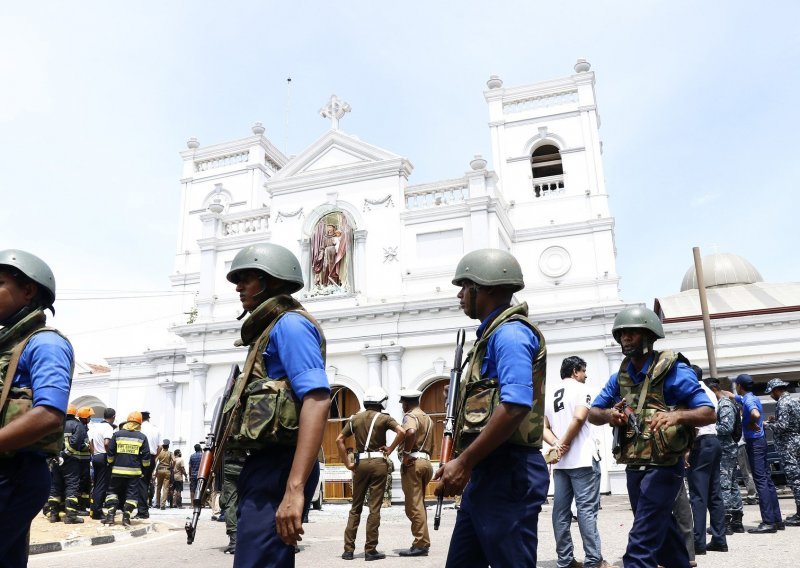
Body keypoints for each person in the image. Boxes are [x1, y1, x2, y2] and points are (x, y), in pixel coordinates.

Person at [434, 248, 549, 568]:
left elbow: (515, 406)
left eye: (465, 285)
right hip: (487, 471)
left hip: (509, 472)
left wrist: (463, 462)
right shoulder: (490, 336)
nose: (459, 294)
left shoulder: (511, 334)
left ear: (485, 288)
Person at [224, 242, 331, 567]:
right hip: (265, 464)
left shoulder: (290, 325)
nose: (239, 286)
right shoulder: (270, 329)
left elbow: (317, 399)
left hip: (280, 466)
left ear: (272, 281)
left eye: (248, 277)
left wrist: (295, 489)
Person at [588, 306, 715, 568]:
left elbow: (708, 413)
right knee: (661, 527)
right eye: (622, 333)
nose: (625, 337)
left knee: (642, 539)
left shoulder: (673, 371)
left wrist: (676, 416)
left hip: (665, 467)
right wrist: (611, 415)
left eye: (632, 333)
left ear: (649, 336)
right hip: (635, 466)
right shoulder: (620, 377)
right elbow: (593, 413)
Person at [0, 249, 73, 564]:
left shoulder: (46, 343)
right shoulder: (10, 346)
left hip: (16, 474)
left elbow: (49, 415)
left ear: (28, 290)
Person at [544, 356, 612, 568]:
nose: (586, 375)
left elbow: (543, 427)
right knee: (586, 511)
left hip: (561, 463)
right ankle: (594, 560)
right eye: (583, 371)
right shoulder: (583, 389)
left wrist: (557, 445)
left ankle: (565, 560)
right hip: (582, 458)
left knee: (560, 512)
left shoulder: (550, 394)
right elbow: (579, 418)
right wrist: (564, 443)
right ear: (575, 371)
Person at [337, 386, 405, 561]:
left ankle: (348, 550)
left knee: (355, 507)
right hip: (378, 463)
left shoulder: (355, 419)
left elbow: (339, 440)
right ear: (382, 402)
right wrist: (389, 449)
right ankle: (370, 550)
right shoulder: (384, 418)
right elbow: (402, 431)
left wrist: (348, 463)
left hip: (360, 464)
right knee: (374, 508)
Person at [732, 374, 783, 532]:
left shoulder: (749, 400)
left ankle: (768, 522)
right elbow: (736, 398)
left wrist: (751, 422)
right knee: (767, 480)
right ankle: (776, 520)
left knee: (760, 481)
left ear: (740, 386)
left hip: (755, 444)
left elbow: (755, 414)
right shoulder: (750, 397)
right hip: (760, 442)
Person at [686, 365, 727, 554]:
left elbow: (696, 423)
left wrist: (687, 449)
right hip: (714, 442)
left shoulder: (695, 391)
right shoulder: (709, 391)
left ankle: (699, 543)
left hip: (701, 443)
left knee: (698, 495)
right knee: (714, 494)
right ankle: (719, 539)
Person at [396, 388, 434, 558]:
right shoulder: (428, 418)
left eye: (403, 404)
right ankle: (423, 540)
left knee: (413, 506)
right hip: (426, 462)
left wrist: (405, 455)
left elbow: (410, 432)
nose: (402, 407)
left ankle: (421, 544)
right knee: (420, 504)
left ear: (406, 403)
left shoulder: (410, 416)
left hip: (413, 462)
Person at [706, 378, 745, 533]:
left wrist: (708, 423)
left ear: (714, 389)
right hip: (726, 449)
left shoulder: (725, 404)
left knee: (724, 485)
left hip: (726, 449)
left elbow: (726, 428)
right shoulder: (722, 404)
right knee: (731, 484)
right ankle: (736, 519)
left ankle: (726, 522)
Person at [104, 411, 151, 526]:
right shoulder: (142, 437)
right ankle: (126, 518)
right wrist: (144, 469)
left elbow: (110, 452)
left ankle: (110, 516)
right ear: (139, 423)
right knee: (131, 495)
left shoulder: (117, 434)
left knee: (112, 492)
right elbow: (146, 457)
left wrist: (110, 463)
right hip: (134, 472)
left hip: (117, 471)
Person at [764, 378, 800, 525]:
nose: (771, 395)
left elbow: (783, 426)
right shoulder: (793, 401)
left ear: (777, 390)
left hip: (788, 446)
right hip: (796, 441)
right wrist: (775, 420)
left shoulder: (783, 403)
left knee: (795, 480)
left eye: (771, 393)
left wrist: (768, 424)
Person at [45, 404, 77, 522]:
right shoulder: (76, 425)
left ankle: (53, 515)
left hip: (55, 460)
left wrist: (55, 456)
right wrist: (65, 455)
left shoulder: (56, 423)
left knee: (55, 486)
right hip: (70, 461)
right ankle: (70, 516)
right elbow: (77, 442)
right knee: (71, 485)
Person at [89, 407, 116, 519]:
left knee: (96, 484)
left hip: (95, 456)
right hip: (103, 456)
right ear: (113, 417)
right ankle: (97, 511)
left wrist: (94, 453)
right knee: (102, 485)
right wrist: (110, 455)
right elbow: (106, 443)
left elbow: (90, 442)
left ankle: (94, 509)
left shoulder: (95, 426)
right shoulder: (108, 427)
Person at [219, 449, 247, 554]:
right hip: (250, 464)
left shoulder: (223, 431)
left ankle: (234, 541)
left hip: (230, 465)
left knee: (230, 502)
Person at [136, 410, 159, 519]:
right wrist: (154, 457)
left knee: (141, 484)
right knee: (145, 483)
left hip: (141, 457)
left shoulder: (140, 428)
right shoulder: (155, 428)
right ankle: (144, 509)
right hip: (152, 458)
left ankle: (142, 511)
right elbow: (159, 447)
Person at [154, 438, 174, 509]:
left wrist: (154, 471)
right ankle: (163, 504)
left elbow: (155, 461)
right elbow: (174, 460)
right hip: (167, 470)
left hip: (159, 470)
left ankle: (157, 503)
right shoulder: (170, 453)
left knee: (158, 487)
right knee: (165, 488)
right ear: (168, 446)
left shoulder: (159, 453)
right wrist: (171, 466)